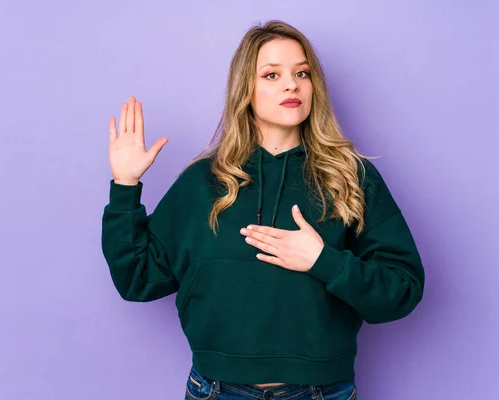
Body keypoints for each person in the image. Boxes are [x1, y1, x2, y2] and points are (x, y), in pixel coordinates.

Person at [102, 20, 425, 400]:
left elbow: (402, 290)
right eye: (272, 74)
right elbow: (137, 280)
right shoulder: (202, 181)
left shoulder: (352, 176)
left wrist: (323, 260)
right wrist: (125, 186)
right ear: (246, 90)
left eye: (301, 73)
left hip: (321, 391)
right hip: (216, 391)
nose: (291, 85)